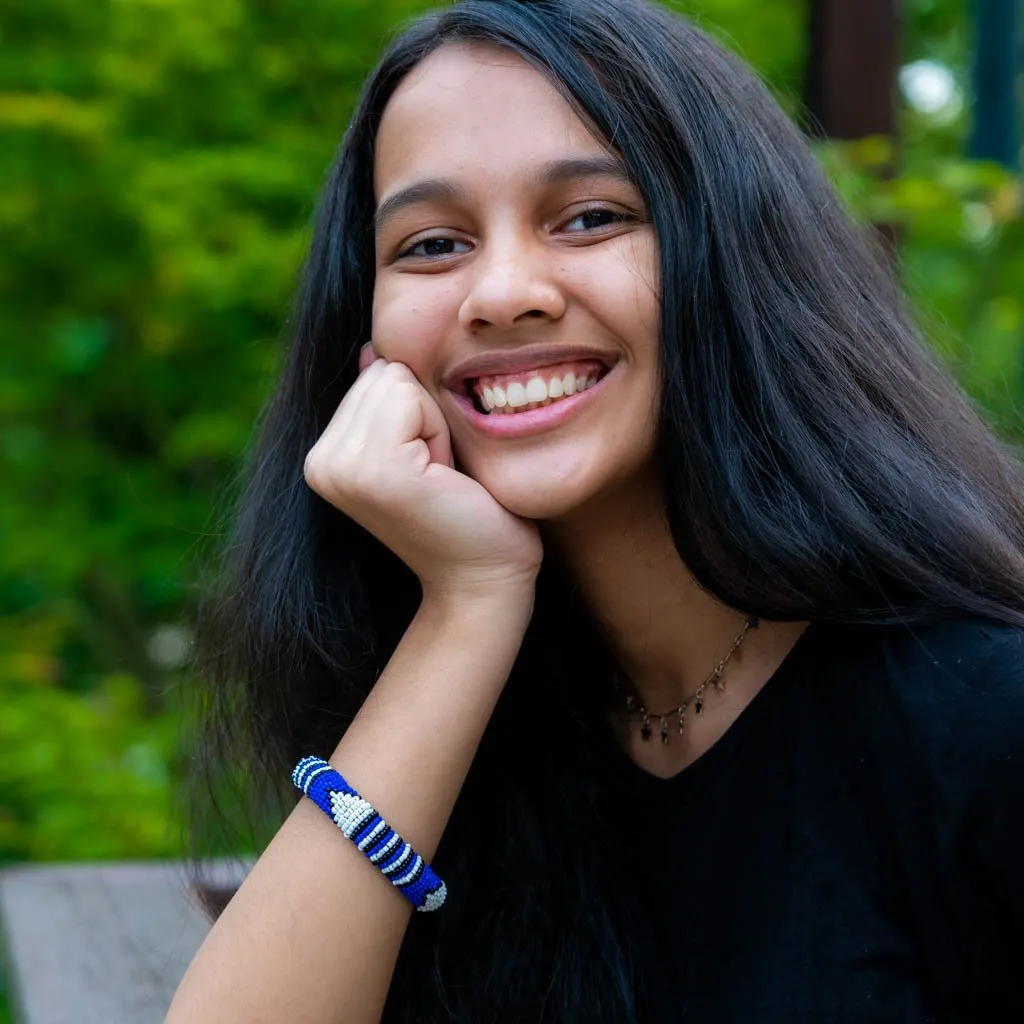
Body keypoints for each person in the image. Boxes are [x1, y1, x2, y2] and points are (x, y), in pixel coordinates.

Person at [166, 0, 1024, 1020]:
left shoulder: (982, 719)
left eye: (589, 218)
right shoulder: (470, 716)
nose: (502, 292)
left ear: (735, 260)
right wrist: (468, 604)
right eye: (432, 244)